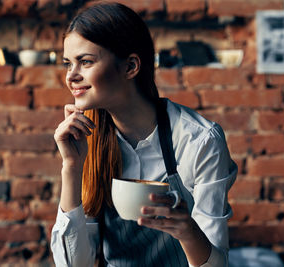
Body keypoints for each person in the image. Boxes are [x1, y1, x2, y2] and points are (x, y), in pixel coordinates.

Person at [51, 2, 237, 267]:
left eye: (86, 62)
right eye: (68, 64)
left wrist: (188, 231)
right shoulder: (86, 138)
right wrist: (71, 167)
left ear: (130, 67)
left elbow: (217, 264)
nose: (71, 76)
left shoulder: (200, 141)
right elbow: (74, 264)